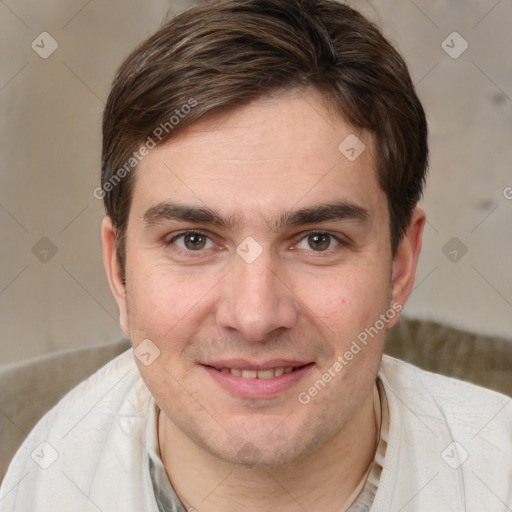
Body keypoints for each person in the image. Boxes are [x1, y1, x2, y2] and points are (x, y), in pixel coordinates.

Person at [1, 0, 511, 510]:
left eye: (318, 240)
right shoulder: (34, 483)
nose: (255, 316)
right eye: (193, 240)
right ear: (119, 271)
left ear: (399, 268)